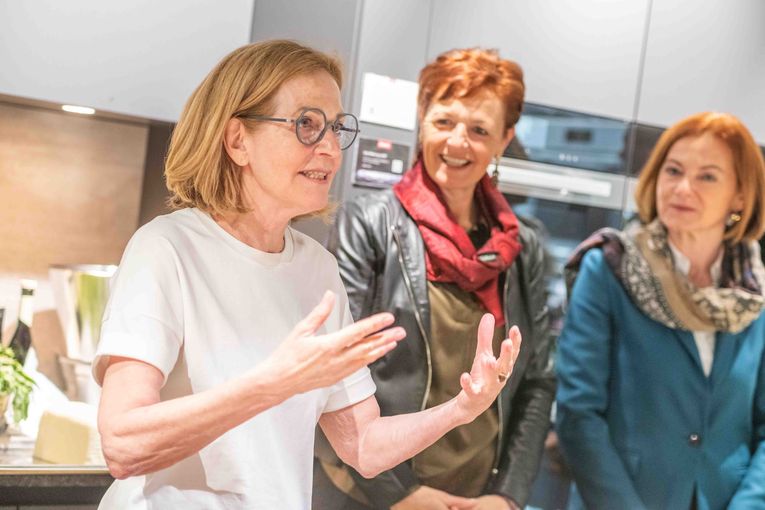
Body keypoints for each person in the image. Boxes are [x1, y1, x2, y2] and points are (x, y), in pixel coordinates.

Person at [92, 40, 523, 510]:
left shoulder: (317, 267)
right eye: (307, 125)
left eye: (336, 128)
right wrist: (274, 383)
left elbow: (363, 445)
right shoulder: (167, 249)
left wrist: (460, 410)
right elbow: (123, 444)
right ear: (238, 140)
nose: (332, 150)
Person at [313, 48, 556, 510]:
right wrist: (403, 495)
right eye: (444, 122)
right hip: (371, 493)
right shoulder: (368, 224)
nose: (458, 143)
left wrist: (507, 497)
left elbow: (538, 381)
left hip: (477, 497)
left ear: (504, 139)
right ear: (422, 117)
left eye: (480, 130)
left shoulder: (522, 248)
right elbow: (334, 370)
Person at [556, 112, 765, 510]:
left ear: (740, 195)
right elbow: (578, 413)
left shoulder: (755, 292)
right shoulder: (610, 268)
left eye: (707, 176)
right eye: (673, 171)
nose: (682, 188)